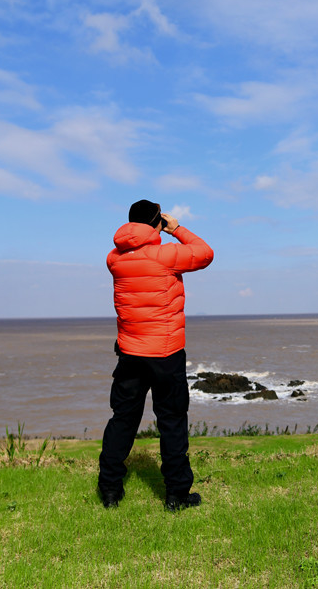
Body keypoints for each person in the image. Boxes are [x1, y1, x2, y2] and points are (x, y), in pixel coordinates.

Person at [98, 199, 214, 511]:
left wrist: (154, 227)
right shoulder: (165, 255)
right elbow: (205, 254)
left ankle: (109, 491)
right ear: (156, 223)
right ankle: (176, 495)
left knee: (122, 420)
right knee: (172, 422)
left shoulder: (114, 259)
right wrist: (177, 229)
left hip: (130, 353)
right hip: (166, 353)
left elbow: (131, 250)